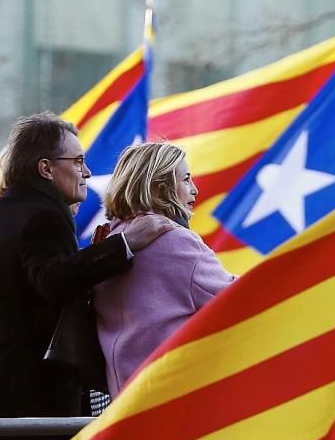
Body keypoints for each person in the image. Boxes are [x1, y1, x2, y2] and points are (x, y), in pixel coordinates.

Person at [0, 112, 173, 440]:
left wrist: (4, 299)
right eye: (77, 161)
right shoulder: (45, 215)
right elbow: (54, 280)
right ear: (45, 168)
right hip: (37, 394)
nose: (86, 171)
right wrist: (126, 244)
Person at [94, 141, 234, 396]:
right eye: (186, 179)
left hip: (121, 398)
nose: (195, 190)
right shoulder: (174, 241)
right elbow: (236, 298)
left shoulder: (110, 241)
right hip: (173, 393)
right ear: (161, 187)